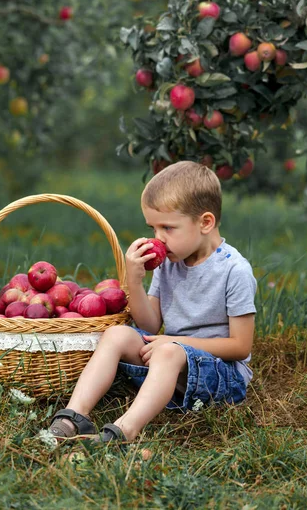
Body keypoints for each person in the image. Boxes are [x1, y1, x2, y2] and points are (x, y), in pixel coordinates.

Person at [48, 161, 257, 442]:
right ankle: (74, 414)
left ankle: (125, 431)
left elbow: (240, 347)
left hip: (222, 375)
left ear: (205, 222)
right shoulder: (169, 263)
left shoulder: (235, 271)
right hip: (169, 361)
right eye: (153, 228)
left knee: (168, 352)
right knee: (117, 334)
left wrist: (174, 344)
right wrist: (133, 281)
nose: (157, 238)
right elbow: (150, 323)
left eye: (168, 228)